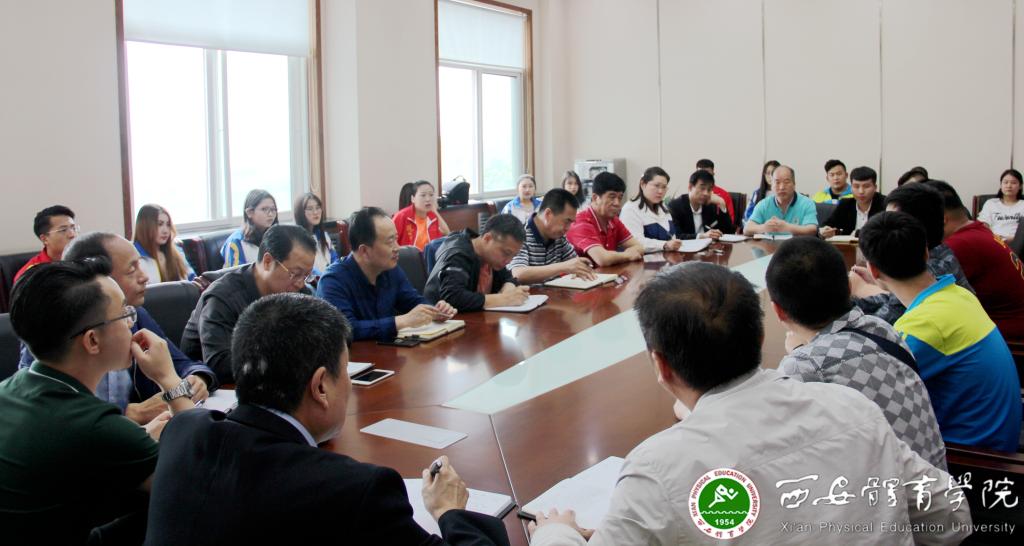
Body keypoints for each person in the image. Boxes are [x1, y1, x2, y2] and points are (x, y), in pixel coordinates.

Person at [528, 261, 970, 546]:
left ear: (660, 365)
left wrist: (555, 534)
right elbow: (953, 517)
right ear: (761, 338)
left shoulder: (659, 469)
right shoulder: (853, 408)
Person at [144, 293, 511, 545]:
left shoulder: (182, 431)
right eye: (345, 370)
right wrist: (449, 511)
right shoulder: (353, 490)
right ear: (321, 386)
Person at [0, 260, 199, 544]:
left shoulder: (11, 388)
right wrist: (168, 378)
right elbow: (200, 477)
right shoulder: (95, 425)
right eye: (124, 313)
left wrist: (139, 436)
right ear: (92, 341)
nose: (132, 322)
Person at [766, 237, 946, 469]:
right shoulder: (880, 327)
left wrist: (800, 353)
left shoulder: (802, 368)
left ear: (778, 311)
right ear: (850, 288)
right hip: (937, 478)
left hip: (887, 490)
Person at [859, 212, 1021, 452]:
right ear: (926, 253)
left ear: (873, 270)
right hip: (998, 437)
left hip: (970, 454)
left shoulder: (921, 327)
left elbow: (872, 393)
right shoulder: (959, 294)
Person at [18, 232, 216, 424]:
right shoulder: (50, 334)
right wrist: (128, 412)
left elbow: (178, 362)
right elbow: (46, 411)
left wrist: (198, 377)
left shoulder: (134, 314)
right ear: (96, 278)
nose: (144, 277)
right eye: (132, 270)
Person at [181, 225, 315, 384]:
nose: (300, 283)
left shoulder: (298, 291)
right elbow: (219, 365)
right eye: (295, 273)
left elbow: (321, 335)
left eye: (306, 276)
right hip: (211, 390)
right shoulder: (223, 297)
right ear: (267, 261)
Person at [317, 207, 456, 341]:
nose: (397, 247)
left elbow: (413, 301)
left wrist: (435, 311)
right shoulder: (333, 281)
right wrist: (400, 322)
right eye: (390, 241)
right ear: (364, 251)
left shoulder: (390, 269)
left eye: (396, 239)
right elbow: (346, 329)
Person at [851, 183, 973, 324]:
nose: (884, 225)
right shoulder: (937, 253)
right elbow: (891, 299)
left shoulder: (932, 270)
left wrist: (861, 287)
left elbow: (878, 325)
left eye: (892, 220)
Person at [925, 179, 1024, 340]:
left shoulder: (960, 245)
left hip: (1008, 338)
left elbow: (920, 295)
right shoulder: (977, 230)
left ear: (941, 219)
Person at [424, 214, 530, 311]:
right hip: (443, 320)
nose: (508, 261)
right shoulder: (458, 254)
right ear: (487, 238)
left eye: (513, 256)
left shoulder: (491, 257)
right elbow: (453, 297)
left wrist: (509, 286)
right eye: (506, 253)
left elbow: (507, 277)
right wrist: (503, 299)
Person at [508, 189, 596, 284]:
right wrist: (564, 267)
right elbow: (518, 274)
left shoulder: (558, 237)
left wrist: (581, 267)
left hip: (554, 292)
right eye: (567, 221)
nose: (568, 228)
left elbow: (574, 263)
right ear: (548, 214)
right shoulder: (520, 236)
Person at [566, 172, 644, 265]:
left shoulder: (613, 220)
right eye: (612, 197)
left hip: (604, 273)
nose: (617, 203)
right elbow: (602, 259)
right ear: (595, 198)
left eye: (620, 198)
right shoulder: (581, 222)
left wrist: (617, 256)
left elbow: (639, 247)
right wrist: (627, 255)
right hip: (581, 274)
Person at [619, 167, 682, 252]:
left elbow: (672, 236)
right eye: (656, 186)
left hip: (666, 257)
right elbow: (634, 241)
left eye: (664, 187)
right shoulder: (630, 209)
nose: (660, 191)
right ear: (643, 184)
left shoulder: (663, 208)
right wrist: (664, 245)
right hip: (641, 258)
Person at [743, 165, 818, 236]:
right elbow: (746, 229)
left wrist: (787, 227)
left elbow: (812, 230)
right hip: (769, 245)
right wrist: (764, 227)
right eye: (777, 182)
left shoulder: (807, 203)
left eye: (786, 182)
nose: (782, 187)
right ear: (772, 186)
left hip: (797, 245)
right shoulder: (764, 204)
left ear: (794, 184)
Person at [13, 205, 78, 283]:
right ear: (44, 239)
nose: (72, 235)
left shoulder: (83, 259)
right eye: (63, 230)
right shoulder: (30, 275)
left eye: (73, 228)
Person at [133, 204, 196, 284]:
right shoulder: (135, 257)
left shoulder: (176, 251)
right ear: (145, 226)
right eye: (160, 224)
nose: (165, 231)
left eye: (168, 225)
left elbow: (192, 279)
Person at [819, 166, 885, 238]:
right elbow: (827, 225)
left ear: (875, 187)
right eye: (856, 186)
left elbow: (886, 232)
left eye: (866, 186)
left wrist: (858, 233)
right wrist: (824, 231)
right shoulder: (845, 204)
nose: (861, 191)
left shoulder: (885, 204)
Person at [668, 169, 734, 240]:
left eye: (709, 190)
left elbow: (728, 232)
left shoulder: (709, 205)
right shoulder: (675, 206)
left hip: (709, 246)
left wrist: (722, 203)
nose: (706, 193)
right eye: (702, 188)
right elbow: (676, 236)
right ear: (690, 187)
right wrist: (702, 236)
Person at [221, 189, 279, 267]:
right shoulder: (236, 242)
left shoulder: (275, 237)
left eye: (273, 209)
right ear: (249, 213)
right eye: (264, 209)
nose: (270, 214)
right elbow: (235, 273)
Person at [394, 180, 452, 250]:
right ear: (413, 199)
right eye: (423, 195)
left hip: (430, 255)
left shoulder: (433, 216)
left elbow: (447, 233)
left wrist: (435, 211)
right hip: (409, 256)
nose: (428, 199)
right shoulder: (401, 216)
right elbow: (391, 241)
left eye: (431, 195)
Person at [293, 192, 338, 276]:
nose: (315, 212)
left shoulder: (324, 235)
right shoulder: (297, 241)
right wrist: (324, 277)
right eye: (310, 209)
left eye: (318, 207)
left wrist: (334, 273)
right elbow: (307, 268)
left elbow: (334, 258)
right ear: (300, 212)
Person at [978, 168, 1024, 242]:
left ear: (1020, 186)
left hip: (1019, 243)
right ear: (1001, 185)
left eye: (1013, 183)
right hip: (994, 241)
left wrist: (1012, 239)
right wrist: (994, 238)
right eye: (1005, 182)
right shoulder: (991, 203)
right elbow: (983, 225)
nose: (1009, 186)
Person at [694, 158, 737, 223]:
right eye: (700, 173)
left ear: (713, 173)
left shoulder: (724, 195)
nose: (704, 177)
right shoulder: (691, 196)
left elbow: (731, 221)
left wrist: (721, 203)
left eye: (707, 173)